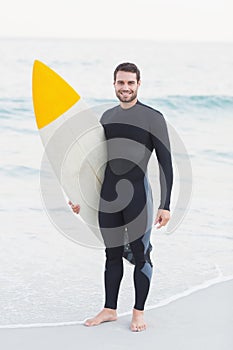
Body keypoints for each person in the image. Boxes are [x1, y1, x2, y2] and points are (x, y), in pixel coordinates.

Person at [69, 62, 173, 332]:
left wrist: (166, 205)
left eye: (130, 82)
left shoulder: (153, 117)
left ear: (139, 84)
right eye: (120, 82)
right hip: (108, 197)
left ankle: (138, 313)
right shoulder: (106, 117)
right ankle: (110, 309)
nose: (125, 87)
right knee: (111, 254)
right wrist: (82, 198)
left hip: (139, 196)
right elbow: (95, 163)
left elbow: (166, 164)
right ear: (113, 84)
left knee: (141, 255)